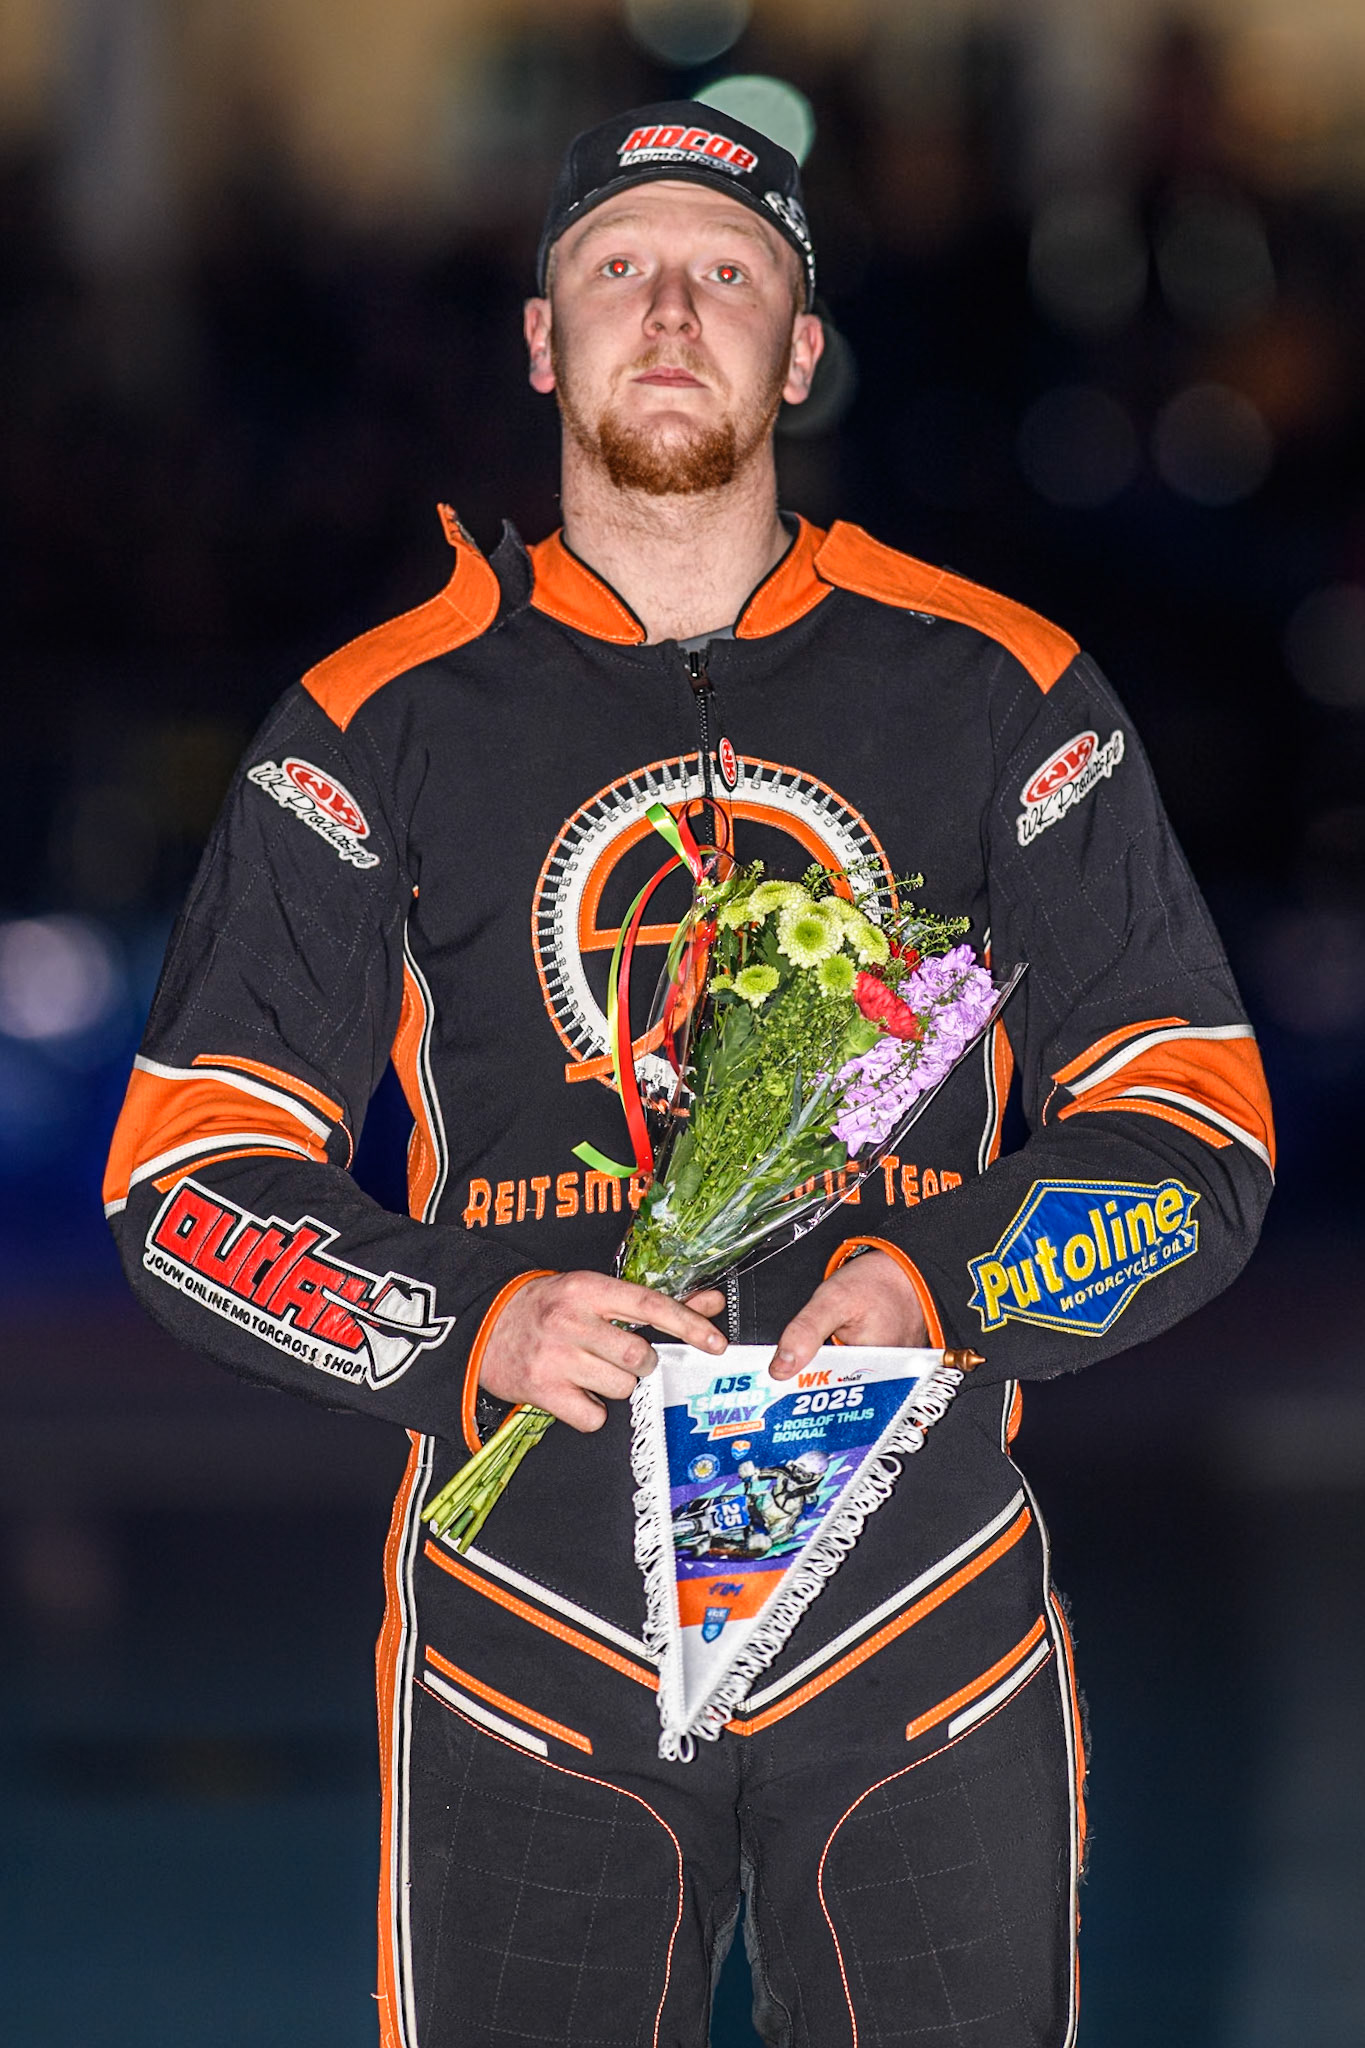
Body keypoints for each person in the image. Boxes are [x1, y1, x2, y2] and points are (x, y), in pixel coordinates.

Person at [104, 101, 1274, 2048]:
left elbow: (1196, 1128)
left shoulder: (1000, 685)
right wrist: (464, 1318)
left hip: (918, 1642)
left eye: (725, 273)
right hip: (528, 1660)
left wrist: (945, 1279)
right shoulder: (366, 723)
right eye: (617, 270)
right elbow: (187, 1174)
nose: (670, 310)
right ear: (541, 338)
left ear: (799, 347)